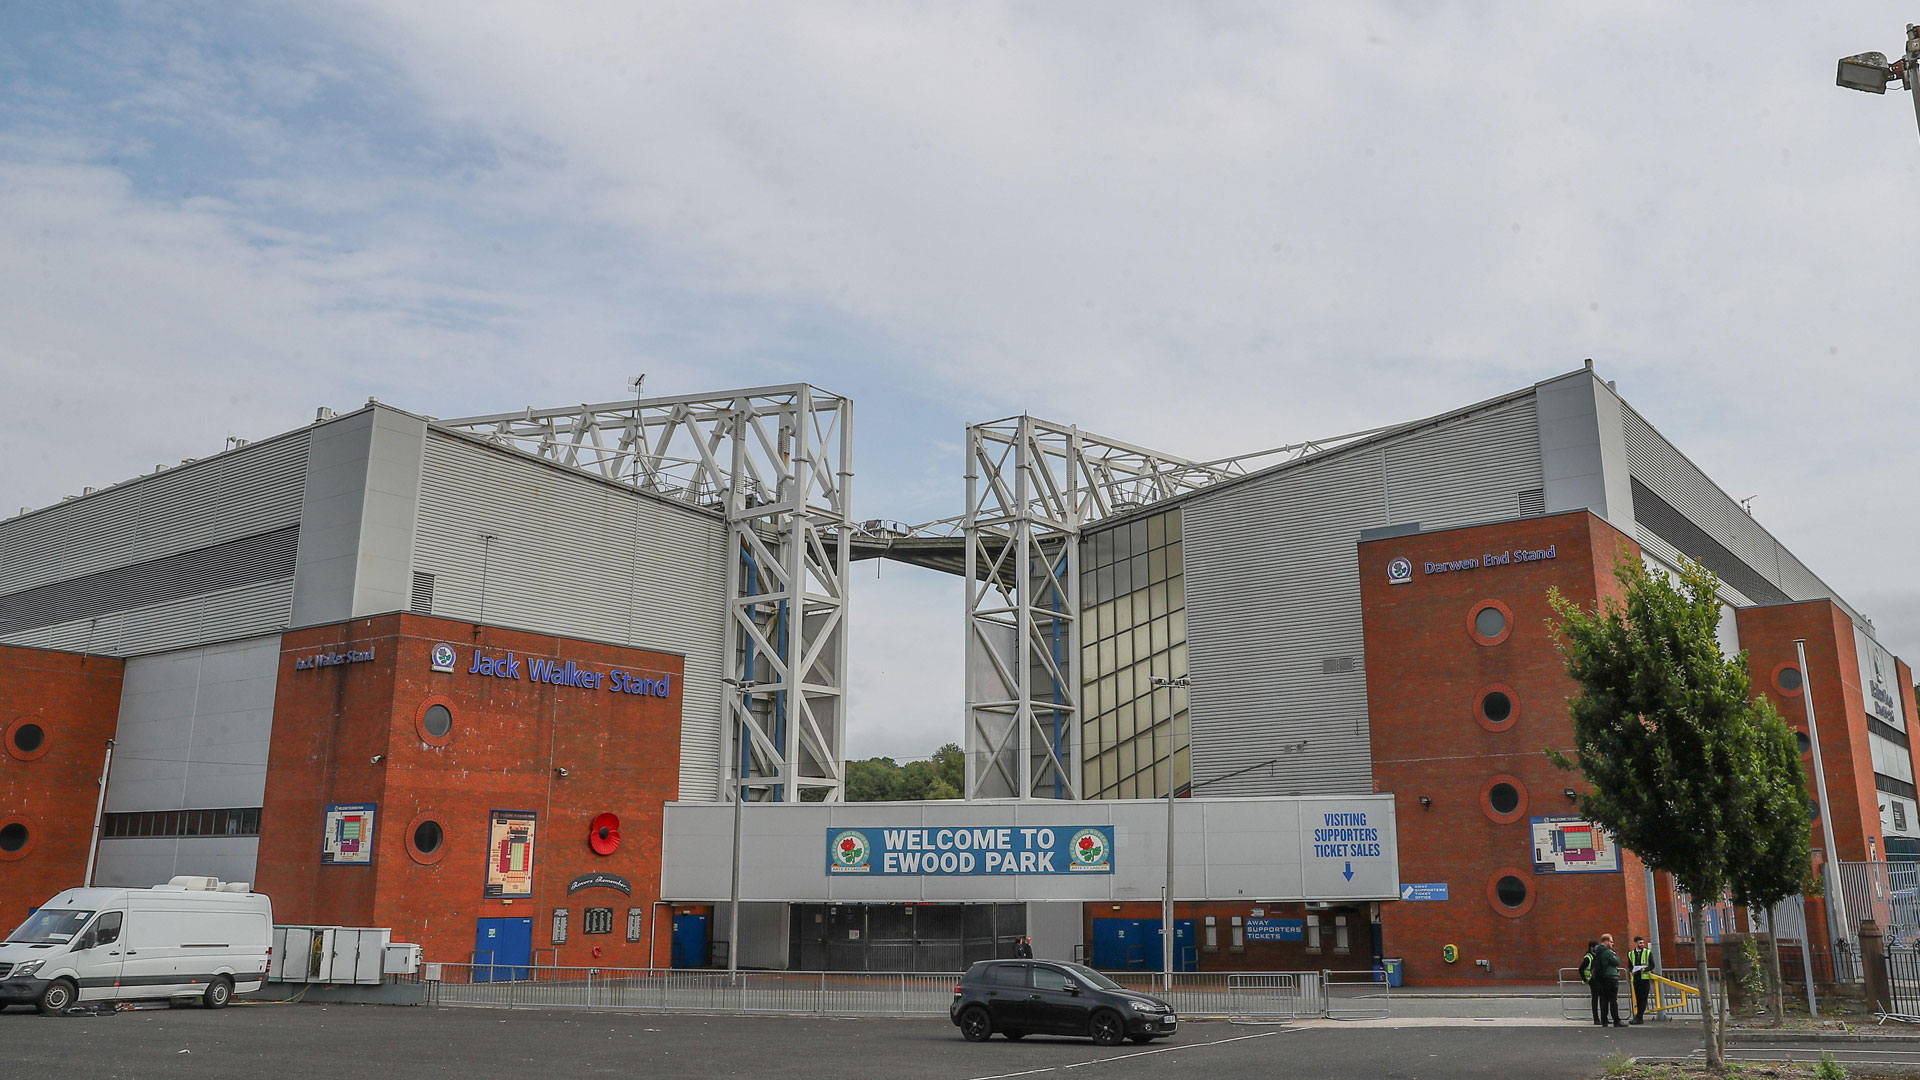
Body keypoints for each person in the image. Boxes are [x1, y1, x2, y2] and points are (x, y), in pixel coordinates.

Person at [1592, 933, 1624, 1027]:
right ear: (1606, 942)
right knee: (1613, 1000)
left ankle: (1604, 1020)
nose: (1612, 944)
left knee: (1604, 999)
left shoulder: (1598, 952)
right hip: (1610, 977)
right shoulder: (1607, 952)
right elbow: (1616, 961)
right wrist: (1614, 953)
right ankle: (1616, 1020)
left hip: (1601, 977)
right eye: (1611, 941)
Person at [1626, 936, 1655, 1024]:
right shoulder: (1630, 954)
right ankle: (1639, 1017)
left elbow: (1652, 965)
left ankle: (1639, 1017)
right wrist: (1631, 971)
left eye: (1643, 943)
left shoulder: (1648, 952)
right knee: (1638, 998)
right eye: (1640, 943)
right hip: (1636, 978)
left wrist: (1645, 969)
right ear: (1636, 943)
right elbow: (1630, 965)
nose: (1642, 944)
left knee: (1643, 998)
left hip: (1644, 978)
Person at [1579, 941, 1599, 1024]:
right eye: (1596, 947)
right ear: (1592, 947)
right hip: (1592, 979)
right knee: (1595, 998)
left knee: (1601, 998)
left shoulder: (1596, 955)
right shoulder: (1588, 957)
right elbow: (1581, 969)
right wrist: (1585, 979)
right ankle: (1596, 1018)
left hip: (1598, 978)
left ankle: (1603, 1017)